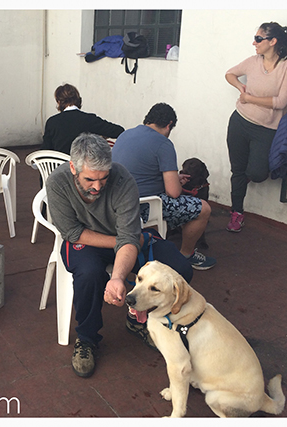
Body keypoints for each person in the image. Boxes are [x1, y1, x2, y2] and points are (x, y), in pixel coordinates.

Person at [46, 132, 193, 378]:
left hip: (127, 238)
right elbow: (72, 232)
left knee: (179, 269)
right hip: (86, 239)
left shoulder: (122, 179)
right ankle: (87, 338)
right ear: (73, 168)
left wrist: (117, 276)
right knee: (89, 274)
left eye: (103, 178)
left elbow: (128, 236)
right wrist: (122, 244)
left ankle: (143, 320)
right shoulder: (57, 182)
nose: (97, 186)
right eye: (90, 179)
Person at [112, 103, 216, 271]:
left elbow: (141, 172)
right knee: (204, 209)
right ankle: (186, 255)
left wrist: (173, 178)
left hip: (115, 201)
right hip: (142, 205)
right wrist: (175, 182)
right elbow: (174, 193)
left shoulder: (125, 134)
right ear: (169, 125)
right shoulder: (163, 144)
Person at [225, 22, 287, 232]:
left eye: (258, 39)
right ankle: (236, 213)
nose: (254, 43)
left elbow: (281, 102)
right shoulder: (252, 61)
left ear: (272, 41)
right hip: (239, 122)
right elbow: (229, 73)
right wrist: (241, 87)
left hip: (266, 129)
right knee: (237, 171)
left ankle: (243, 180)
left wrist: (250, 98)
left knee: (257, 173)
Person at [41, 83, 124, 155]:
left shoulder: (52, 122)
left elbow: (45, 150)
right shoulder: (89, 119)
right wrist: (100, 137)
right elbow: (119, 131)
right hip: (83, 170)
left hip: (58, 169)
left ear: (58, 102)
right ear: (78, 99)